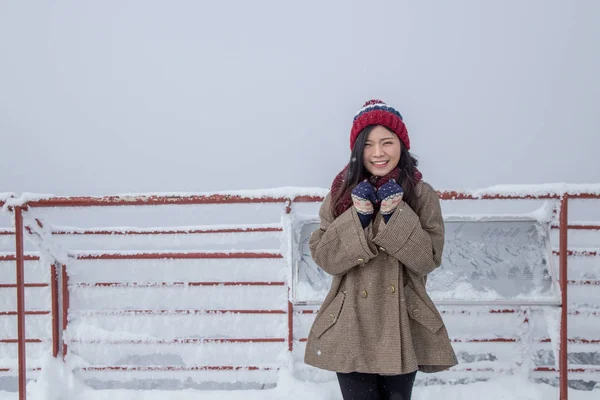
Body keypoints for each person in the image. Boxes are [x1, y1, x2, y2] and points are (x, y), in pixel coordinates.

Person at [304, 100, 457, 400]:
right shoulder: (339, 194)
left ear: (401, 145)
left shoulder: (421, 195)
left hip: (402, 322)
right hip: (351, 323)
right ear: (357, 150)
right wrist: (356, 218)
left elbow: (428, 259)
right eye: (369, 144)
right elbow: (325, 257)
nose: (378, 152)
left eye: (387, 142)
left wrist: (394, 216)